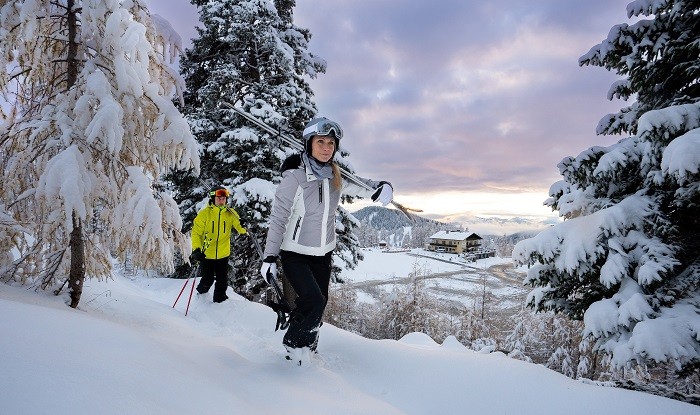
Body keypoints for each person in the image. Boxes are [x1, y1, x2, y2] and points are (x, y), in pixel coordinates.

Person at [260, 116, 393, 361]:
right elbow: (278, 219)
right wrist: (269, 257)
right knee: (314, 300)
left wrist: (380, 186)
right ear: (309, 143)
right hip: (295, 253)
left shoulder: (334, 177)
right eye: (320, 142)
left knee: (318, 306)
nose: (326, 148)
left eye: (331, 143)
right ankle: (292, 346)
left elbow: (360, 185)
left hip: (323, 254)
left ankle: (307, 349)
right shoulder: (295, 178)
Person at [190, 186, 247, 303]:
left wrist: (244, 225)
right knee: (208, 279)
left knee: (222, 280)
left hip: (223, 253)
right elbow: (196, 233)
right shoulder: (204, 214)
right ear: (213, 198)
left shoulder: (231, 213)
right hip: (207, 254)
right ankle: (201, 295)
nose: (222, 201)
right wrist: (196, 249)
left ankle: (219, 301)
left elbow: (240, 228)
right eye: (219, 198)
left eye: (224, 199)